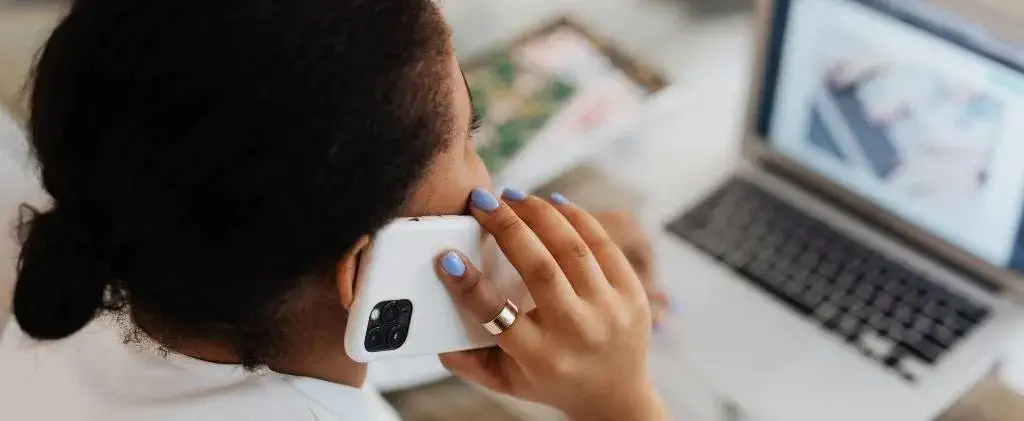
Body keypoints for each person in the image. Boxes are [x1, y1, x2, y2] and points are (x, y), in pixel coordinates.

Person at [0, 0, 671, 420]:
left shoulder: (83, 292)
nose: (485, 171)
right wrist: (617, 399)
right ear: (361, 269)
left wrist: (498, 298)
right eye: (467, 138)